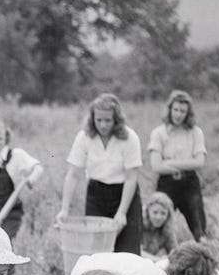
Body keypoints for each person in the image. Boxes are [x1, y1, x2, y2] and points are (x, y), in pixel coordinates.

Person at [56, 93, 144, 254]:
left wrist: (122, 213)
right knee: (96, 252)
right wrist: (64, 209)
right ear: (92, 119)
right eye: (99, 120)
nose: (103, 125)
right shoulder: (84, 137)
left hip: (124, 194)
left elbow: (131, 177)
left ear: (116, 119)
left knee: (128, 251)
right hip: (97, 195)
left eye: (108, 120)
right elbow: (73, 174)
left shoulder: (130, 138)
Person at [147, 90, 208, 241]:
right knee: (158, 221)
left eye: (183, 111)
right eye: (175, 110)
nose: (178, 114)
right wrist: (187, 163)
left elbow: (199, 162)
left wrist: (169, 162)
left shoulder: (196, 132)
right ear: (169, 109)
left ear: (188, 113)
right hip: (167, 182)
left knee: (198, 224)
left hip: (189, 183)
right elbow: (156, 166)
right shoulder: (159, 133)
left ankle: (203, 250)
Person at [140, 191, 178, 261]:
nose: (158, 217)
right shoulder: (139, 225)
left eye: (163, 213)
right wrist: (157, 259)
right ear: (148, 211)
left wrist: (168, 257)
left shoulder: (167, 230)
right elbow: (135, 251)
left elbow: (175, 253)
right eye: (155, 212)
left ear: (168, 215)